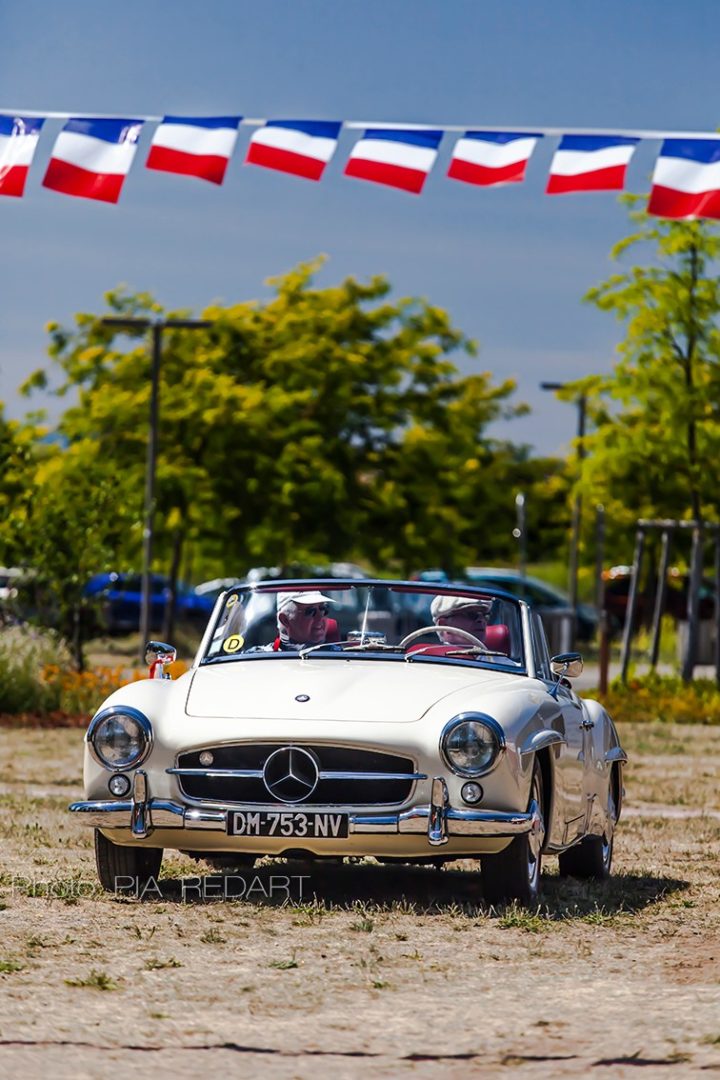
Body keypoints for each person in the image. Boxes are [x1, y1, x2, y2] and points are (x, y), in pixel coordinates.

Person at [266, 590, 338, 651]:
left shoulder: (341, 657)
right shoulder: (263, 659)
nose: (320, 617)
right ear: (284, 620)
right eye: (310, 612)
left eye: (323, 609)